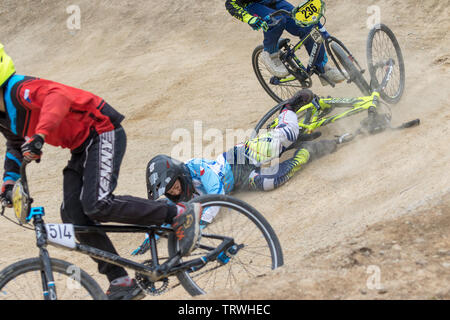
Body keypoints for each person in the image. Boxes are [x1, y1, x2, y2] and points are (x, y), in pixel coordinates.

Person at [0, 43, 203, 300]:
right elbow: (15, 146)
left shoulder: (20, 90)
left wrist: (41, 134)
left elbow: (57, 97)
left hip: (102, 130)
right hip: (81, 147)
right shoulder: (3, 116)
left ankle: (178, 212)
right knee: (73, 214)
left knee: (97, 203)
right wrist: (9, 183)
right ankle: (120, 280)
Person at [146, 89, 339, 228]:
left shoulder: (195, 167)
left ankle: (290, 106)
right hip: (241, 183)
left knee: (289, 133)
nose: (174, 190)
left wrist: (203, 222)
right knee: (274, 181)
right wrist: (151, 236)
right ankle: (309, 151)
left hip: (241, 158)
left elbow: (215, 191)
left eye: (173, 184)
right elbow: (163, 213)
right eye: (169, 190)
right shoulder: (175, 196)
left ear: (178, 173)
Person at [224, 0, 346, 84]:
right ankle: (270, 53)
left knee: (306, 25)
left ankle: (322, 69)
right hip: (252, 5)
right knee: (277, 21)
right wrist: (249, 19)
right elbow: (230, 3)